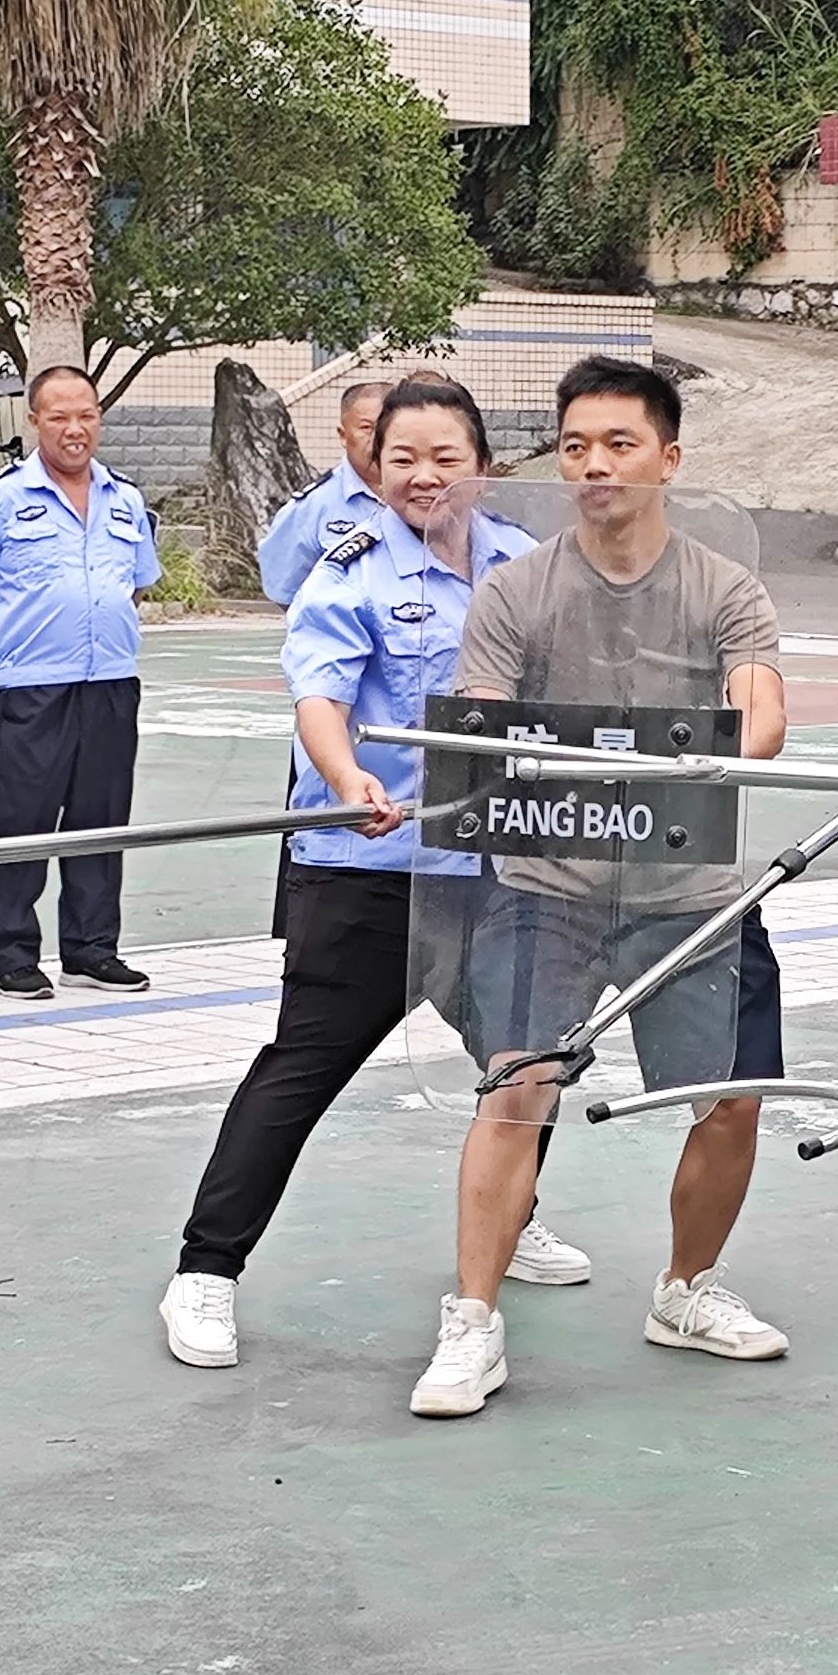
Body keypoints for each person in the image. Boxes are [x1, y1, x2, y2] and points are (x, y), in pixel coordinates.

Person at [160, 375, 593, 1366]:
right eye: (402, 459)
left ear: (482, 466)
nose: (423, 476)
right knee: (299, 1069)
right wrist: (348, 774)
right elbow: (320, 700)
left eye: (444, 458)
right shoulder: (347, 574)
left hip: (489, 869)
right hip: (365, 867)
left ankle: (510, 1218)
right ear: (374, 467)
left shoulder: (525, 568)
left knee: (528, 1059)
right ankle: (204, 1272)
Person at [421, 356, 793, 1420]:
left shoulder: (726, 587)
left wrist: (732, 747)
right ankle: (474, 1320)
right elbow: (481, 717)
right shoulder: (516, 588)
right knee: (514, 1089)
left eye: (619, 443)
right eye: (576, 445)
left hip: (694, 893)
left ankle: (685, 1290)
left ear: (668, 459)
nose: (595, 465)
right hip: (549, 886)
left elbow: (759, 712)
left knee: (729, 1103)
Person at [0, 364, 159, 1000]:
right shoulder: (2, 499)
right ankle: (10, 951)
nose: (74, 428)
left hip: (111, 683)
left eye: (86, 415)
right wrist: (11, 652)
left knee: (102, 819)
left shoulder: (125, 498)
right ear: (35, 421)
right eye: (59, 416)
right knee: (21, 820)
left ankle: (92, 949)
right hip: (35, 686)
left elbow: (138, 583)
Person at [256, 379, 390, 603]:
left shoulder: (423, 498)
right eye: (367, 428)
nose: (378, 439)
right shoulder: (313, 506)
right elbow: (284, 591)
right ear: (343, 435)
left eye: (387, 427)